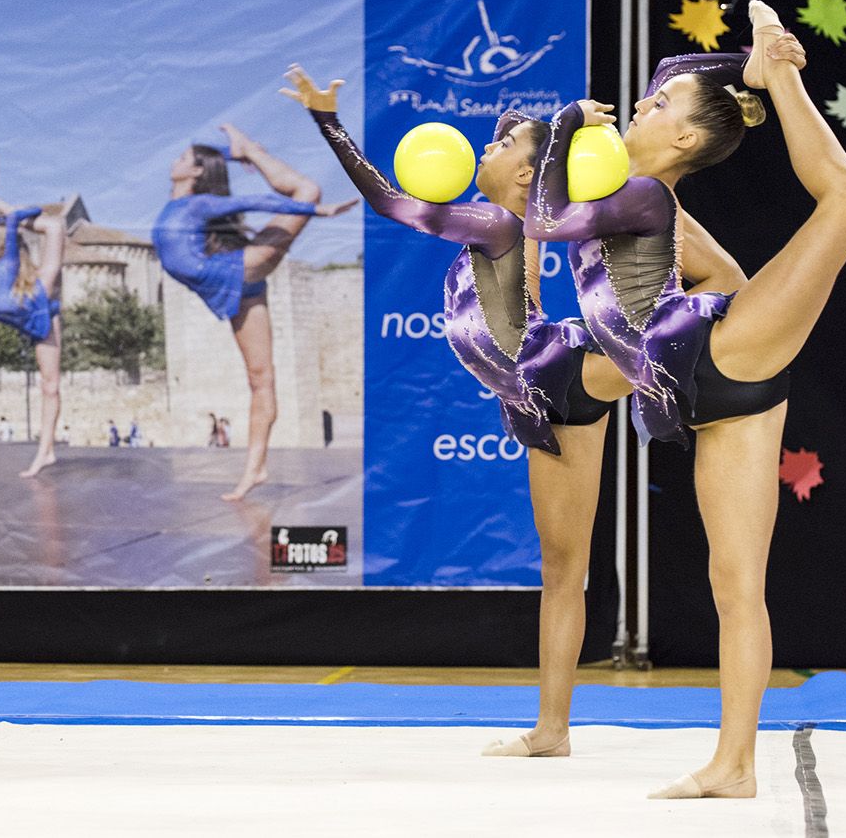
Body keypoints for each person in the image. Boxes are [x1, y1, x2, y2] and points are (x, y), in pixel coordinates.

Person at [522, 2, 846, 799]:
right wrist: (728, 67)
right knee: (733, 582)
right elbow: (730, 279)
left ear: (681, 141)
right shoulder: (661, 211)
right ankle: (734, 769)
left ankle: (785, 85)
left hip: (722, 358)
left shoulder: (643, 196)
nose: (642, 102)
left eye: (658, 107)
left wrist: (763, 70)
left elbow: (543, 216)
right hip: (709, 381)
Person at [289, 66, 629, 756]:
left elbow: (390, 202)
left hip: (555, 371)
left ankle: (724, 333)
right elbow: (534, 171)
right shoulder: (522, 226)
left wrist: (327, 121)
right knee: (564, 572)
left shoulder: (499, 224)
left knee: (676, 354)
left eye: (500, 149)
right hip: (549, 401)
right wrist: (556, 130)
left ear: (526, 173)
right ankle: (552, 732)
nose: (484, 151)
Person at [154, 124, 355, 500]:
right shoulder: (180, 203)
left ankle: (253, 150)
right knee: (260, 379)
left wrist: (316, 210)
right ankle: (255, 469)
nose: (174, 160)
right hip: (236, 283)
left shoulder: (197, 202)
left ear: (197, 172)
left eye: (183, 158)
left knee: (309, 190)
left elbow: (255, 204)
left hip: (237, 269)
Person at [0, 200, 65, 476]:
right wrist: (1, 213)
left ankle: (45, 451)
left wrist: (13, 216)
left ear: (3, 245)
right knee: (47, 385)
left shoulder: (9, 261)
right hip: (24, 316)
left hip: (40, 308)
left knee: (50, 386)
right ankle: (46, 451)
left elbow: (50, 223)